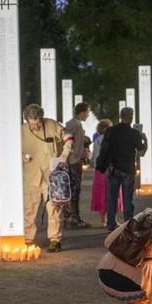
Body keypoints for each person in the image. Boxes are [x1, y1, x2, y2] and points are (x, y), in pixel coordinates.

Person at [21, 103, 73, 252]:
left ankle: (55, 240)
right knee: (29, 209)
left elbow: (69, 137)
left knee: (54, 208)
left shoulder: (51, 124)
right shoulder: (21, 131)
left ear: (41, 118)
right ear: (27, 121)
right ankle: (28, 238)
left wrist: (64, 154)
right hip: (30, 176)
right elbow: (10, 147)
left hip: (52, 175)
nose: (35, 126)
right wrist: (21, 156)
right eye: (32, 124)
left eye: (37, 123)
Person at [96, 107, 147, 231]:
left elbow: (104, 149)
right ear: (131, 117)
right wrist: (145, 139)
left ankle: (111, 224)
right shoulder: (134, 133)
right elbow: (141, 153)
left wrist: (102, 165)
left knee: (112, 197)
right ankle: (128, 224)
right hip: (128, 169)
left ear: (120, 116)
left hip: (113, 168)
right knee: (127, 198)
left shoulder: (111, 131)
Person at [63, 102, 91, 227]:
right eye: (87, 112)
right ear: (82, 112)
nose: (88, 115)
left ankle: (70, 217)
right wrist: (73, 152)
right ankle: (73, 218)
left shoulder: (74, 124)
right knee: (74, 189)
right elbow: (65, 138)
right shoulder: (75, 124)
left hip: (73, 159)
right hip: (72, 161)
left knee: (71, 189)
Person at [90, 119, 122, 227]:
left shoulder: (97, 140)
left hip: (100, 171)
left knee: (102, 195)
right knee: (114, 194)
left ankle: (103, 220)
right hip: (113, 170)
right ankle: (114, 220)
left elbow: (95, 156)